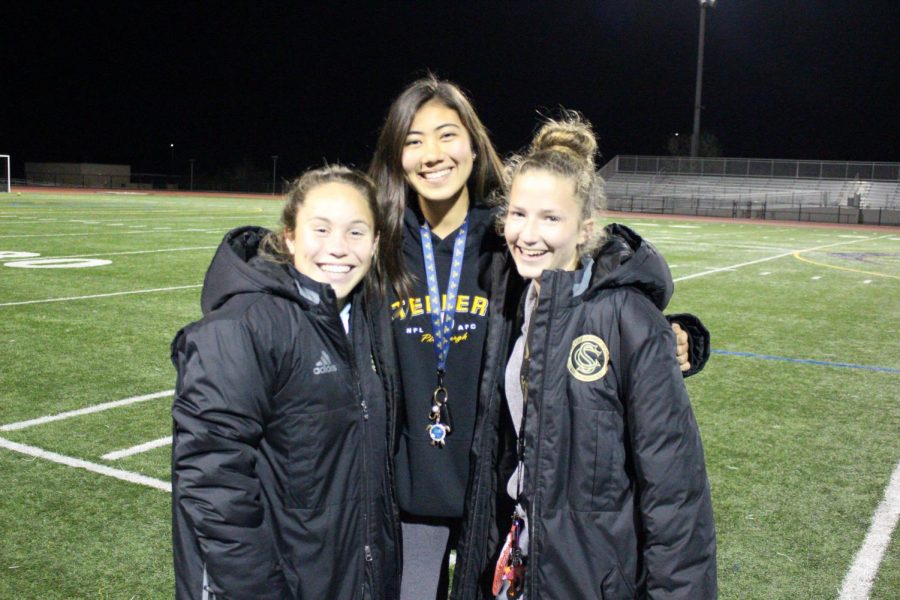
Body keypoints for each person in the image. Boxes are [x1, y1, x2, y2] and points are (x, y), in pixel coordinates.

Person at [369, 76, 708, 600]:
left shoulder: (502, 237)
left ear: (474, 143)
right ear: (396, 153)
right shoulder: (380, 244)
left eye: (447, 134)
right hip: (415, 495)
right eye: (413, 140)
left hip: (500, 495)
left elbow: (591, 273)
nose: (432, 154)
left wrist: (668, 335)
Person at [453, 113, 717, 599]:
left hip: (588, 580)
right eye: (517, 213)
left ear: (585, 230)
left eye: (550, 218)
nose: (527, 234)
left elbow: (674, 494)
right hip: (518, 570)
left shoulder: (627, 317)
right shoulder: (512, 302)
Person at [171, 166, 401, 599]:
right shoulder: (243, 326)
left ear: (375, 244)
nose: (338, 248)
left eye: (356, 232)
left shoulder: (367, 322)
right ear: (290, 236)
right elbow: (213, 485)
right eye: (321, 229)